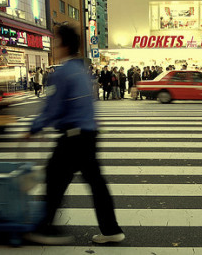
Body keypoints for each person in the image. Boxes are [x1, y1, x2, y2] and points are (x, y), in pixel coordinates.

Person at [24, 24, 124, 245]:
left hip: (72, 137)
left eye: (56, 43)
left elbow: (53, 107)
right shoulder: (81, 71)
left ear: (64, 45)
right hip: (88, 134)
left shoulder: (64, 73)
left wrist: (34, 128)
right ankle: (111, 229)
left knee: (55, 178)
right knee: (95, 182)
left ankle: (45, 228)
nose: (54, 48)